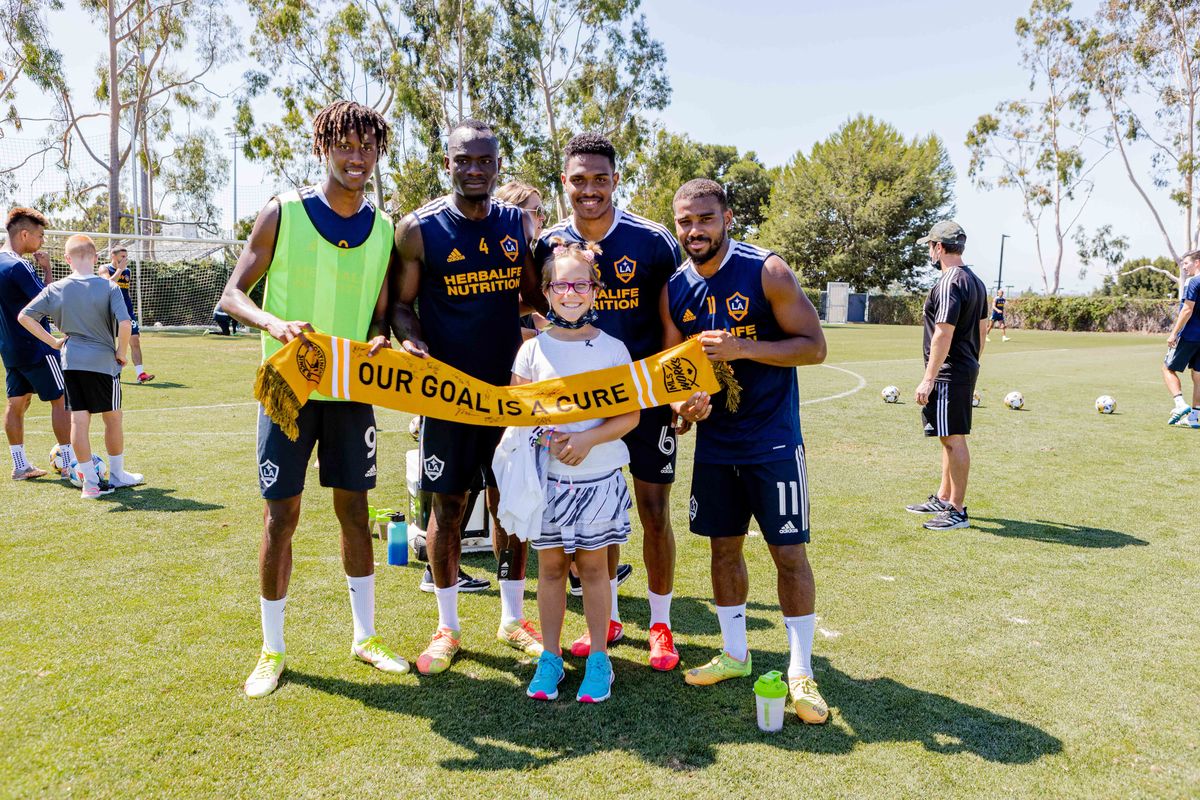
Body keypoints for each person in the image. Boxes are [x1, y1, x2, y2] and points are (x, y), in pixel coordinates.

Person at [221, 100, 408, 699]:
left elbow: (380, 318)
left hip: (352, 392)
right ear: (323, 148)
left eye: (367, 147)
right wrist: (273, 323)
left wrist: (381, 341)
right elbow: (233, 295)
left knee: (355, 513)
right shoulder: (284, 213)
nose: (357, 157)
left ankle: (365, 636)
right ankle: (272, 649)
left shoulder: (383, 229)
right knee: (282, 516)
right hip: (287, 388)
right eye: (345, 145)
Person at [663, 178, 830, 724]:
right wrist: (685, 408)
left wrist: (743, 348)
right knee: (722, 552)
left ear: (727, 218)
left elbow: (814, 346)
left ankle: (801, 670)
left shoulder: (767, 270)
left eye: (705, 219)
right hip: (717, 445)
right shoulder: (675, 289)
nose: (694, 230)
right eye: (685, 221)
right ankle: (735, 653)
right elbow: (675, 377)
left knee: (788, 554)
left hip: (773, 440)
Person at [392, 118, 547, 676]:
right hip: (448, 396)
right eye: (464, 160)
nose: (475, 169)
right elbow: (401, 306)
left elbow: (535, 297)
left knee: (511, 503)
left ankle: (512, 619)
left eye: (485, 160)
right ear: (448, 162)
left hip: (508, 393)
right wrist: (410, 337)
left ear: (498, 165)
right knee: (448, 506)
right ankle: (448, 626)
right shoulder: (418, 229)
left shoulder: (516, 223)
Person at [535, 132, 684, 669]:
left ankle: (662, 623)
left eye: (600, 179)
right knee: (598, 520)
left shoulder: (652, 240)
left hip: (641, 405)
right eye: (578, 180)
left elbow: (672, 323)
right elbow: (537, 322)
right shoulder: (548, 243)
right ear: (564, 183)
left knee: (651, 510)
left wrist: (674, 392)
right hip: (576, 413)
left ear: (616, 181)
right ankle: (612, 618)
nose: (589, 190)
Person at [518, 239, 639, 703]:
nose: (571, 293)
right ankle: (550, 657)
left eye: (580, 284)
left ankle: (599, 661)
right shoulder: (531, 352)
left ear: (595, 290)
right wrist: (549, 438)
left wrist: (588, 439)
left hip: (600, 479)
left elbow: (629, 416)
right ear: (546, 292)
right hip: (548, 481)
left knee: (593, 569)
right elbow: (518, 413)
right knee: (549, 570)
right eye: (561, 285)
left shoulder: (613, 349)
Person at [19, 235, 143, 498]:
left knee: (79, 421)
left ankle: (90, 485)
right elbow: (124, 323)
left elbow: (25, 316)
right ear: (96, 258)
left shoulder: (56, 289)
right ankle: (118, 475)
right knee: (113, 418)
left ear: (67, 259)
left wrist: (53, 341)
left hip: (71, 361)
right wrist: (121, 352)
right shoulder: (109, 287)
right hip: (103, 363)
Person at [905, 220, 990, 530]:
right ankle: (944, 497)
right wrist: (972, 363)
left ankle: (956, 509)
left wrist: (929, 377)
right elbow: (983, 329)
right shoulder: (976, 281)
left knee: (954, 438)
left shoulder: (949, 281)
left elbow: (943, 331)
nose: (930, 251)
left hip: (949, 371)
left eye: (930, 246)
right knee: (947, 435)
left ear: (939, 248)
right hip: (962, 368)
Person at [0, 207, 73, 480]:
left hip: (10, 348)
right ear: (24, 233)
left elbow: (31, 301)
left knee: (17, 402)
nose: (42, 241)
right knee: (61, 399)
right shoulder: (18, 265)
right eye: (40, 236)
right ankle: (68, 463)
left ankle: (20, 465)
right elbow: (47, 303)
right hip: (38, 346)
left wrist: (46, 269)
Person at [496, 181, 550, 342]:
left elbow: (525, 315)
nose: (543, 217)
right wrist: (539, 337)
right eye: (538, 211)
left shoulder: (523, 252)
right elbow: (492, 317)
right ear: (514, 212)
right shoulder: (493, 256)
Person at [98, 245, 154, 384]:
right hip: (110, 311)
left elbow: (124, 292)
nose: (125, 259)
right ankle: (110, 373)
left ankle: (140, 374)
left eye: (126, 256)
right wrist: (119, 270)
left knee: (135, 339)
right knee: (110, 343)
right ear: (113, 256)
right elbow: (107, 284)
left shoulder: (127, 271)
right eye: (122, 256)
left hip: (126, 311)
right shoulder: (104, 268)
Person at [1163, 249, 1200, 428]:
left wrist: (1174, 334)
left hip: (1190, 334)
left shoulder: (1193, 281)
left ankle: (1180, 405)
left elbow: (1187, 309)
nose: (1184, 267)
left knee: (1167, 368)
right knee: (1198, 376)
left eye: (1186, 263)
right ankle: (1194, 417)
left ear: (1197, 263)